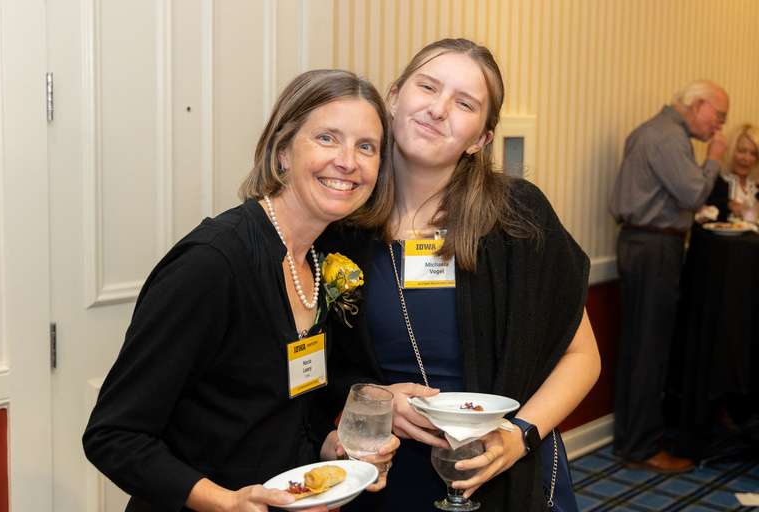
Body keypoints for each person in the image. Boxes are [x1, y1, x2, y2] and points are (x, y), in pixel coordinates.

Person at [82, 69, 401, 512]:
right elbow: (112, 436)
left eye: (366, 147)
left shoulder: (317, 262)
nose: (348, 161)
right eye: (327, 138)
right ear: (283, 151)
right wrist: (226, 503)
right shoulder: (212, 264)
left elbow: (277, 411)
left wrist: (333, 449)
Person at [317, 38, 601, 512]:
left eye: (465, 103)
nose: (438, 108)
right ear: (393, 97)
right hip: (385, 472)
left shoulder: (518, 217)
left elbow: (582, 356)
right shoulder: (338, 221)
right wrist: (373, 398)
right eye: (427, 86)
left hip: (506, 467)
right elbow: (316, 365)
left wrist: (519, 435)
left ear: (481, 139)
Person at [609, 79, 729, 473]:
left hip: (642, 244)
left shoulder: (654, 130)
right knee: (650, 350)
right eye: (719, 115)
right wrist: (713, 158)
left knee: (638, 348)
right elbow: (695, 196)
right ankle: (640, 448)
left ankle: (632, 438)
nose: (720, 125)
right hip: (655, 247)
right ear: (697, 105)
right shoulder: (668, 137)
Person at [697, 123, 759, 222]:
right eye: (742, 151)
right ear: (730, 151)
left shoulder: (756, 188)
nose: (747, 158)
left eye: (753, 153)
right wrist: (729, 205)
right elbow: (700, 208)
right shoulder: (714, 181)